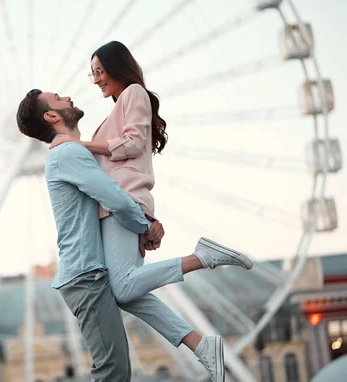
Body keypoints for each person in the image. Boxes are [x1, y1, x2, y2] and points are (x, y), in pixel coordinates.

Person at [49, 41, 255, 381]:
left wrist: (79, 144)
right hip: (118, 206)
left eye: (99, 71)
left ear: (118, 67)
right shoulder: (117, 109)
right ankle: (202, 346)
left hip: (124, 201)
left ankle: (202, 257)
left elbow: (132, 144)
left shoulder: (133, 93)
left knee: (125, 289)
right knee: (126, 293)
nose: (96, 79)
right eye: (93, 73)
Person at [17, 89, 162, 381]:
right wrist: (146, 226)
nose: (68, 97)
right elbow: (115, 199)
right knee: (112, 369)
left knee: (115, 368)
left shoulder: (64, 155)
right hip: (85, 276)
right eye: (58, 98)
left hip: (87, 275)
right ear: (52, 116)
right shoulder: (68, 153)